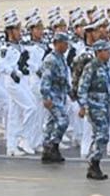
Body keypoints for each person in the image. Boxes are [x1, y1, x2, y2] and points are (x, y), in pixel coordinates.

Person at [77, 40, 110, 180]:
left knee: (103, 135)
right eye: (106, 51)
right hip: (95, 105)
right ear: (98, 52)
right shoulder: (91, 67)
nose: (109, 53)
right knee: (101, 134)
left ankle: (95, 163)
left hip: (105, 105)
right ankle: (93, 161)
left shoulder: (107, 66)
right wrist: (83, 106)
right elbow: (82, 88)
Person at [40, 32, 71, 164]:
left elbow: (63, 78)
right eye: (64, 43)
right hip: (52, 96)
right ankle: (53, 145)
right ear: (57, 44)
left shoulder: (61, 58)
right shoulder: (50, 59)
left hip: (60, 95)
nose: (66, 46)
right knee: (63, 120)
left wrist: (70, 92)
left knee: (52, 123)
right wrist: (46, 97)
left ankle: (47, 150)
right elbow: (46, 79)